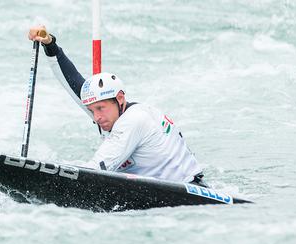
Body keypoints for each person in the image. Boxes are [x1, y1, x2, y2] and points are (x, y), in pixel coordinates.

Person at [28, 26, 208, 186]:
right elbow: (74, 83)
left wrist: (35, 175)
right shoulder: (110, 110)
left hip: (187, 192)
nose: (96, 117)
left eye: (100, 108)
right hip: (166, 186)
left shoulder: (134, 120)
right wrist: (50, 45)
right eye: (92, 110)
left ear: (120, 98)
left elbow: (95, 169)